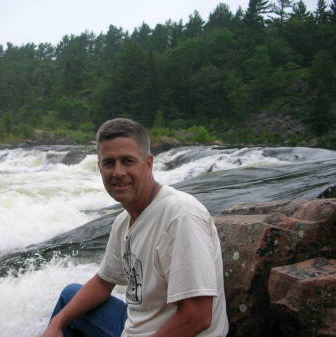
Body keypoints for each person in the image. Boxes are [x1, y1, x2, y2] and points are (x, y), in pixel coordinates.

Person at [42, 118, 228, 337]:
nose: (118, 172)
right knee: (69, 297)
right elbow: (103, 282)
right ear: (99, 167)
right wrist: (56, 323)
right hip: (138, 324)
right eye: (109, 163)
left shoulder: (180, 215)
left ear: (148, 163)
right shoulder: (124, 220)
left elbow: (197, 317)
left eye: (128, 161)